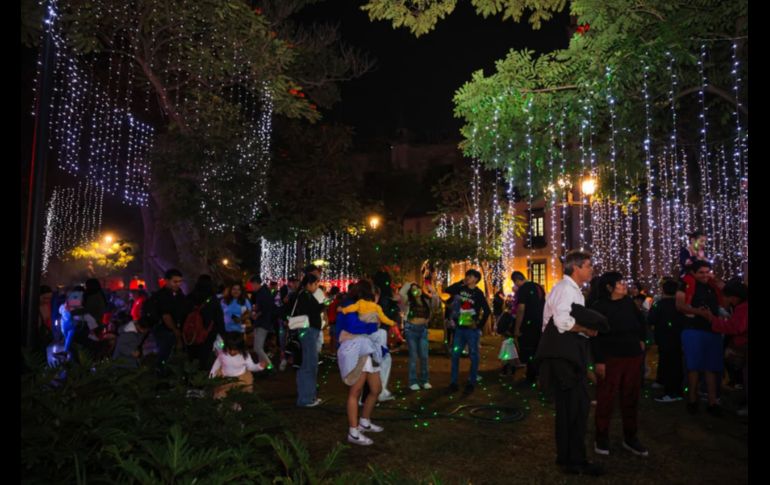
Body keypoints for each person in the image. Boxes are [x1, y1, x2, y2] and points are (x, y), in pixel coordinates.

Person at [536, 250, 604, 476]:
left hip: (564, 354)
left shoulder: (569, 290)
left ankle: (566, 457)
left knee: (567, 409)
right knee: (576, 408)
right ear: (576, 268)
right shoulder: (566, 290)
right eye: (588, 265)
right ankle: (576, 460)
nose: (591, 269)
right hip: (564, 356)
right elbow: (562, 322)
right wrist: (585, 328)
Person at [590, 272, 649, 457]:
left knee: (631, 397)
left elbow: (641, 323)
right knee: (606, 398)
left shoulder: (628, 303)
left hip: (632, 356)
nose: (624, 285)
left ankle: (630, 437)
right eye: (620, 283)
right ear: (609, 287)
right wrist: (599, 360)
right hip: (611, 358)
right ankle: (601, 437)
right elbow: (595, 336)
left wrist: (641, 339)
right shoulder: (599, 307)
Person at [335, 282, 387, 445]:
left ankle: (364, 421)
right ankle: (353, 431)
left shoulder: (364, 306)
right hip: (356, 349)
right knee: (356, 391)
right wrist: (372, 325)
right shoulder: (350, 304)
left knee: (376, 388)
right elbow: (354, 326)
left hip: (368, 348)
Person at [692, 279, 748, 416]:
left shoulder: (743, 308)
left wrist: (713, 320)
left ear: (734, 297)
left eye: (727, 297)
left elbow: (735, 327)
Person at [676, 260, 724, 416]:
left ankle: (712, 402)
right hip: (693, 330)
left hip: (713, 330)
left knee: (712, 367)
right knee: (694, 367)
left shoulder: (713, 286)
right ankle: (692, 399)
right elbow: (680, 306)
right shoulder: (685, 284)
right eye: (701, 272)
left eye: (707, 271)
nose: (705, 275)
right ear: (693, 273)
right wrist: (699, 312)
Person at [444, 269, 491, 395]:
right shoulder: (460, 289)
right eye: (466, 276)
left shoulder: (478, 294)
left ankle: (471, 381)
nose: (467, 278)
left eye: (469, 276)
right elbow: (447, 290)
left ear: (476, 279)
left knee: (474, 355)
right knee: (455, 355)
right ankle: (453, 382)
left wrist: (479, 325)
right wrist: (461, 282)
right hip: (459, 328)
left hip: (471, 330)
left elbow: (487, 311)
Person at [291, 273, 326, 407]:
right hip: (308, 331)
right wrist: (323, 305)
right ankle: (307, 398)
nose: (317, 286)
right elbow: (312, 311)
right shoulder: (304, 295)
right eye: (315, 284)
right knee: (309, 365)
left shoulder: (302, 295)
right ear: (309, 284)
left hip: (307, 331)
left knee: (306, 364)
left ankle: (306, 397)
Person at [648, 278, 684, 403]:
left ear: (663, 290)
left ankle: (672, 392)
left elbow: (650, 319)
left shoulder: (659, 304)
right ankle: (667, 384)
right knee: (674, 363)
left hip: (664, 338)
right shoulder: (680, 304)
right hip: (678, 338)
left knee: (669, 364)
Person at [400, 281, 439, 390]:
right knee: (413, 356)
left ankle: (424, 380)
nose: (416, 291)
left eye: (417, 288)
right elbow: (402, 293)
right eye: (413, 290)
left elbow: (436, 303)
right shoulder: (408, 302)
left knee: (424, 356)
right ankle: (413, 381)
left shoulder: (426, 301)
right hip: (411, 330)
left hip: (422, 330)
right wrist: (410, 284)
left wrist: (433, 290)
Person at [209, 332, 266, 401]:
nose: (232, 352)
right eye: (229, 349)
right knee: (221, 396)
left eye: (235, 350)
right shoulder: (222, 354)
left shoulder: (245, 356)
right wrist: (211, 376)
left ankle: (237, 407)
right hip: (224, 379)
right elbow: (216, 365)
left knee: (239, 397)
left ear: (241, 348)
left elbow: (251, 366)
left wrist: (258, 367)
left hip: (241, 379)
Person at [511, 271, 546, 384]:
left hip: (528, 324)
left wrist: (517, 327)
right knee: (537, 349)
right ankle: (538, 375)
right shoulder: (538, 287)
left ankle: (531, 377)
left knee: (528, 351)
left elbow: (521, 309)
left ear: (516, 280)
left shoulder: (523, 289)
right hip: (539, 323)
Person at [153, 269, 190, 369]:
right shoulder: (162, 295)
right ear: (166, 281)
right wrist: (175, 330)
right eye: (175, 281)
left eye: (180, 281)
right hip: (164, 330)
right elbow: (166, 315)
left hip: (177, 329)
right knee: (165, 354)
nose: (178, 284)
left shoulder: (180, 294)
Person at [186, 275, 225, 370]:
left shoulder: (190, 297)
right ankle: (201, 377)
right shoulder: (212, 299)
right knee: (204, 356)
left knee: (191, 355)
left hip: (192, 333)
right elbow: (219, 318)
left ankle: (190, 375)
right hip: (208, 333)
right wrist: (223, 334)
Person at [249, 275, 274, 368]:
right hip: (261, 323)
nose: (251, 287)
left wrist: (256, 314)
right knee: (259, 348)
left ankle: (270, 366)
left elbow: (266, 308)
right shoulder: (262, 292)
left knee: (257, 348)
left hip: (263, 323)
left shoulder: (263, 293)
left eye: (252, 285)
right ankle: (262, 367)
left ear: (255, 283)